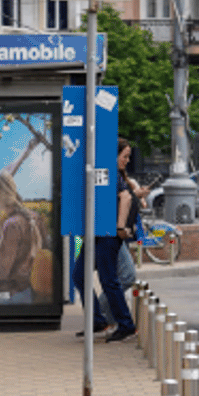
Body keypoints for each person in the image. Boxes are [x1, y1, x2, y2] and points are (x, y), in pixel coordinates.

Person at [71, 139, 138, 343]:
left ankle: (126, 324)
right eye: (124, 156)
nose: (126, 161)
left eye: (128, 157)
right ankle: (98, 321)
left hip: (108, 234)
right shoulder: (107, 172)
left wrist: (118, 227)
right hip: (96, 232)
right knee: (80, 275)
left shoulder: (112, 174)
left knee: (108, 279)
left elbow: (126, 198)